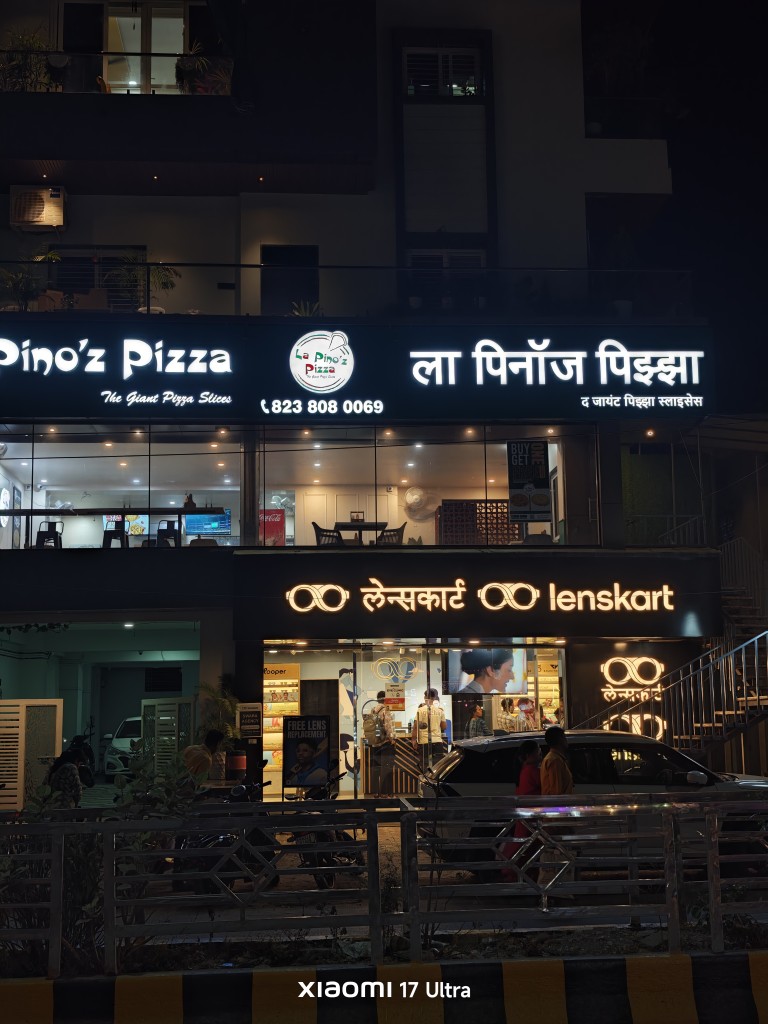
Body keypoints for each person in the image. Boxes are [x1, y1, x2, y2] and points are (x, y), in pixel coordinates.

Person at [538, 725, 575, 892]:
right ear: (559, 740)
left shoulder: (555, 759)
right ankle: (557, 891)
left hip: (556, 816)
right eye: (564, 737)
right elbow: (556, 793)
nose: (566, 740)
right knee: (559, 854)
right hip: (557, 817)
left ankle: (557, 889)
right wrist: (561, 820)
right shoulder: (554, 761)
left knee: (557, 854)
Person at [498, 739, 541, 881]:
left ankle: (514, 874)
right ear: (529, 755)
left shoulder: (524, 769)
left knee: (523, 846)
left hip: (524, 814)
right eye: (538, 751)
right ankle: (515, 874)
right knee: (528, 847)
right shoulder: (532, 771)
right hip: (531, 816)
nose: (540, 753)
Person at [411, 688, 447, 771]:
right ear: (434, 698)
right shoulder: (440, 711)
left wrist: (413, 739)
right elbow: (444, 727)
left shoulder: (420, 710)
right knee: (437, 766)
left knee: (425, 765)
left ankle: (427, 778)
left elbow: (416, 726)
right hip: (437, 741)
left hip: (424, 742)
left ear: (424, 697)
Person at [369, 690, 396, 797]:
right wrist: (392, 739)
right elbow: (388, 727)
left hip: (375, 743)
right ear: (385, 699)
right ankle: (385, 793)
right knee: (386, 769)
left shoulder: (372, 710)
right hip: (385, 743)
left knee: (375, 769)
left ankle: (375, 792)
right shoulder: (385, 710)